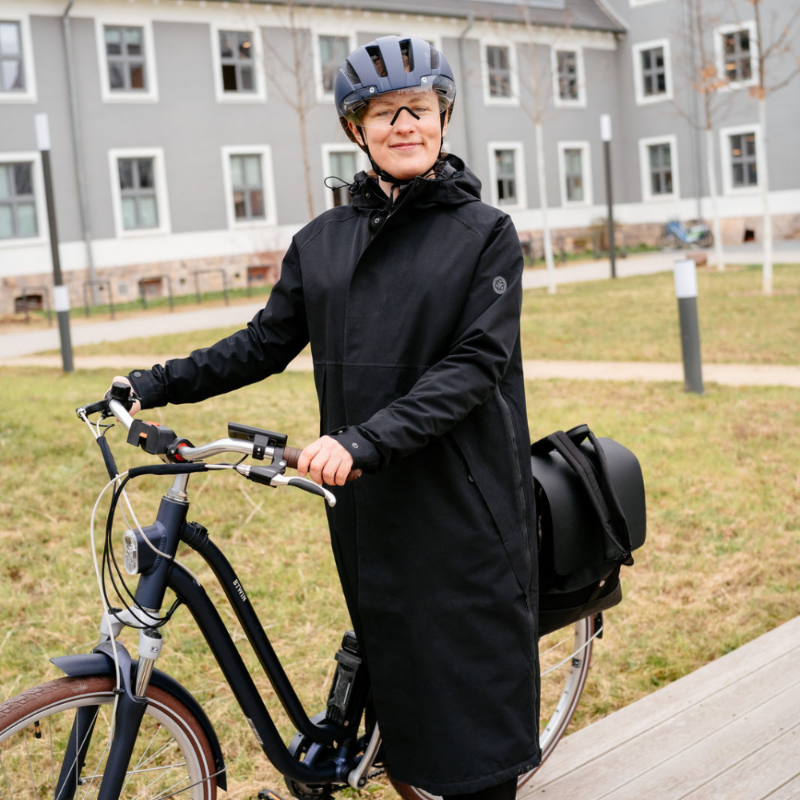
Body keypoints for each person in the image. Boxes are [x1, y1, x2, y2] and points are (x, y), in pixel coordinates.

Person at [113, 35, 539, 800]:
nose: (404, 125)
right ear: (356, 130)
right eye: (383, 113)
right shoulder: (322, 243)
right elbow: (262, 344)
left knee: (472, 704)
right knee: (401, 673)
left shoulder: (485, 234)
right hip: (369, 506)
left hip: (462, 502)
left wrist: (363, 439)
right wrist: (156, 383)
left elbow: (474, 366)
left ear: (442, 119)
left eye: (419, 109)